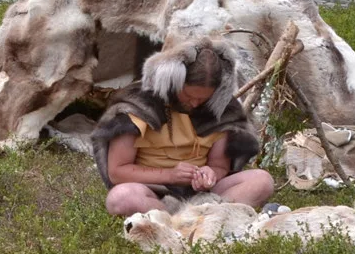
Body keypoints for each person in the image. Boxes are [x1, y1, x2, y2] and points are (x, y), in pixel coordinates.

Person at [89, 41, 272, 217]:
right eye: (188, 95)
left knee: (262, 181)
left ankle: (195, 218)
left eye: (202, 99)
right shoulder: (138, 106)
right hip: (153, 191)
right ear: (174, 82)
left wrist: (210, 174)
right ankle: (190, 219)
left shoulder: (221, 109)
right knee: (121, 198)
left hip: (204, 195)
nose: (194, 103)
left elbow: (219, 164)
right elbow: (117, 171)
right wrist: (170, 175)